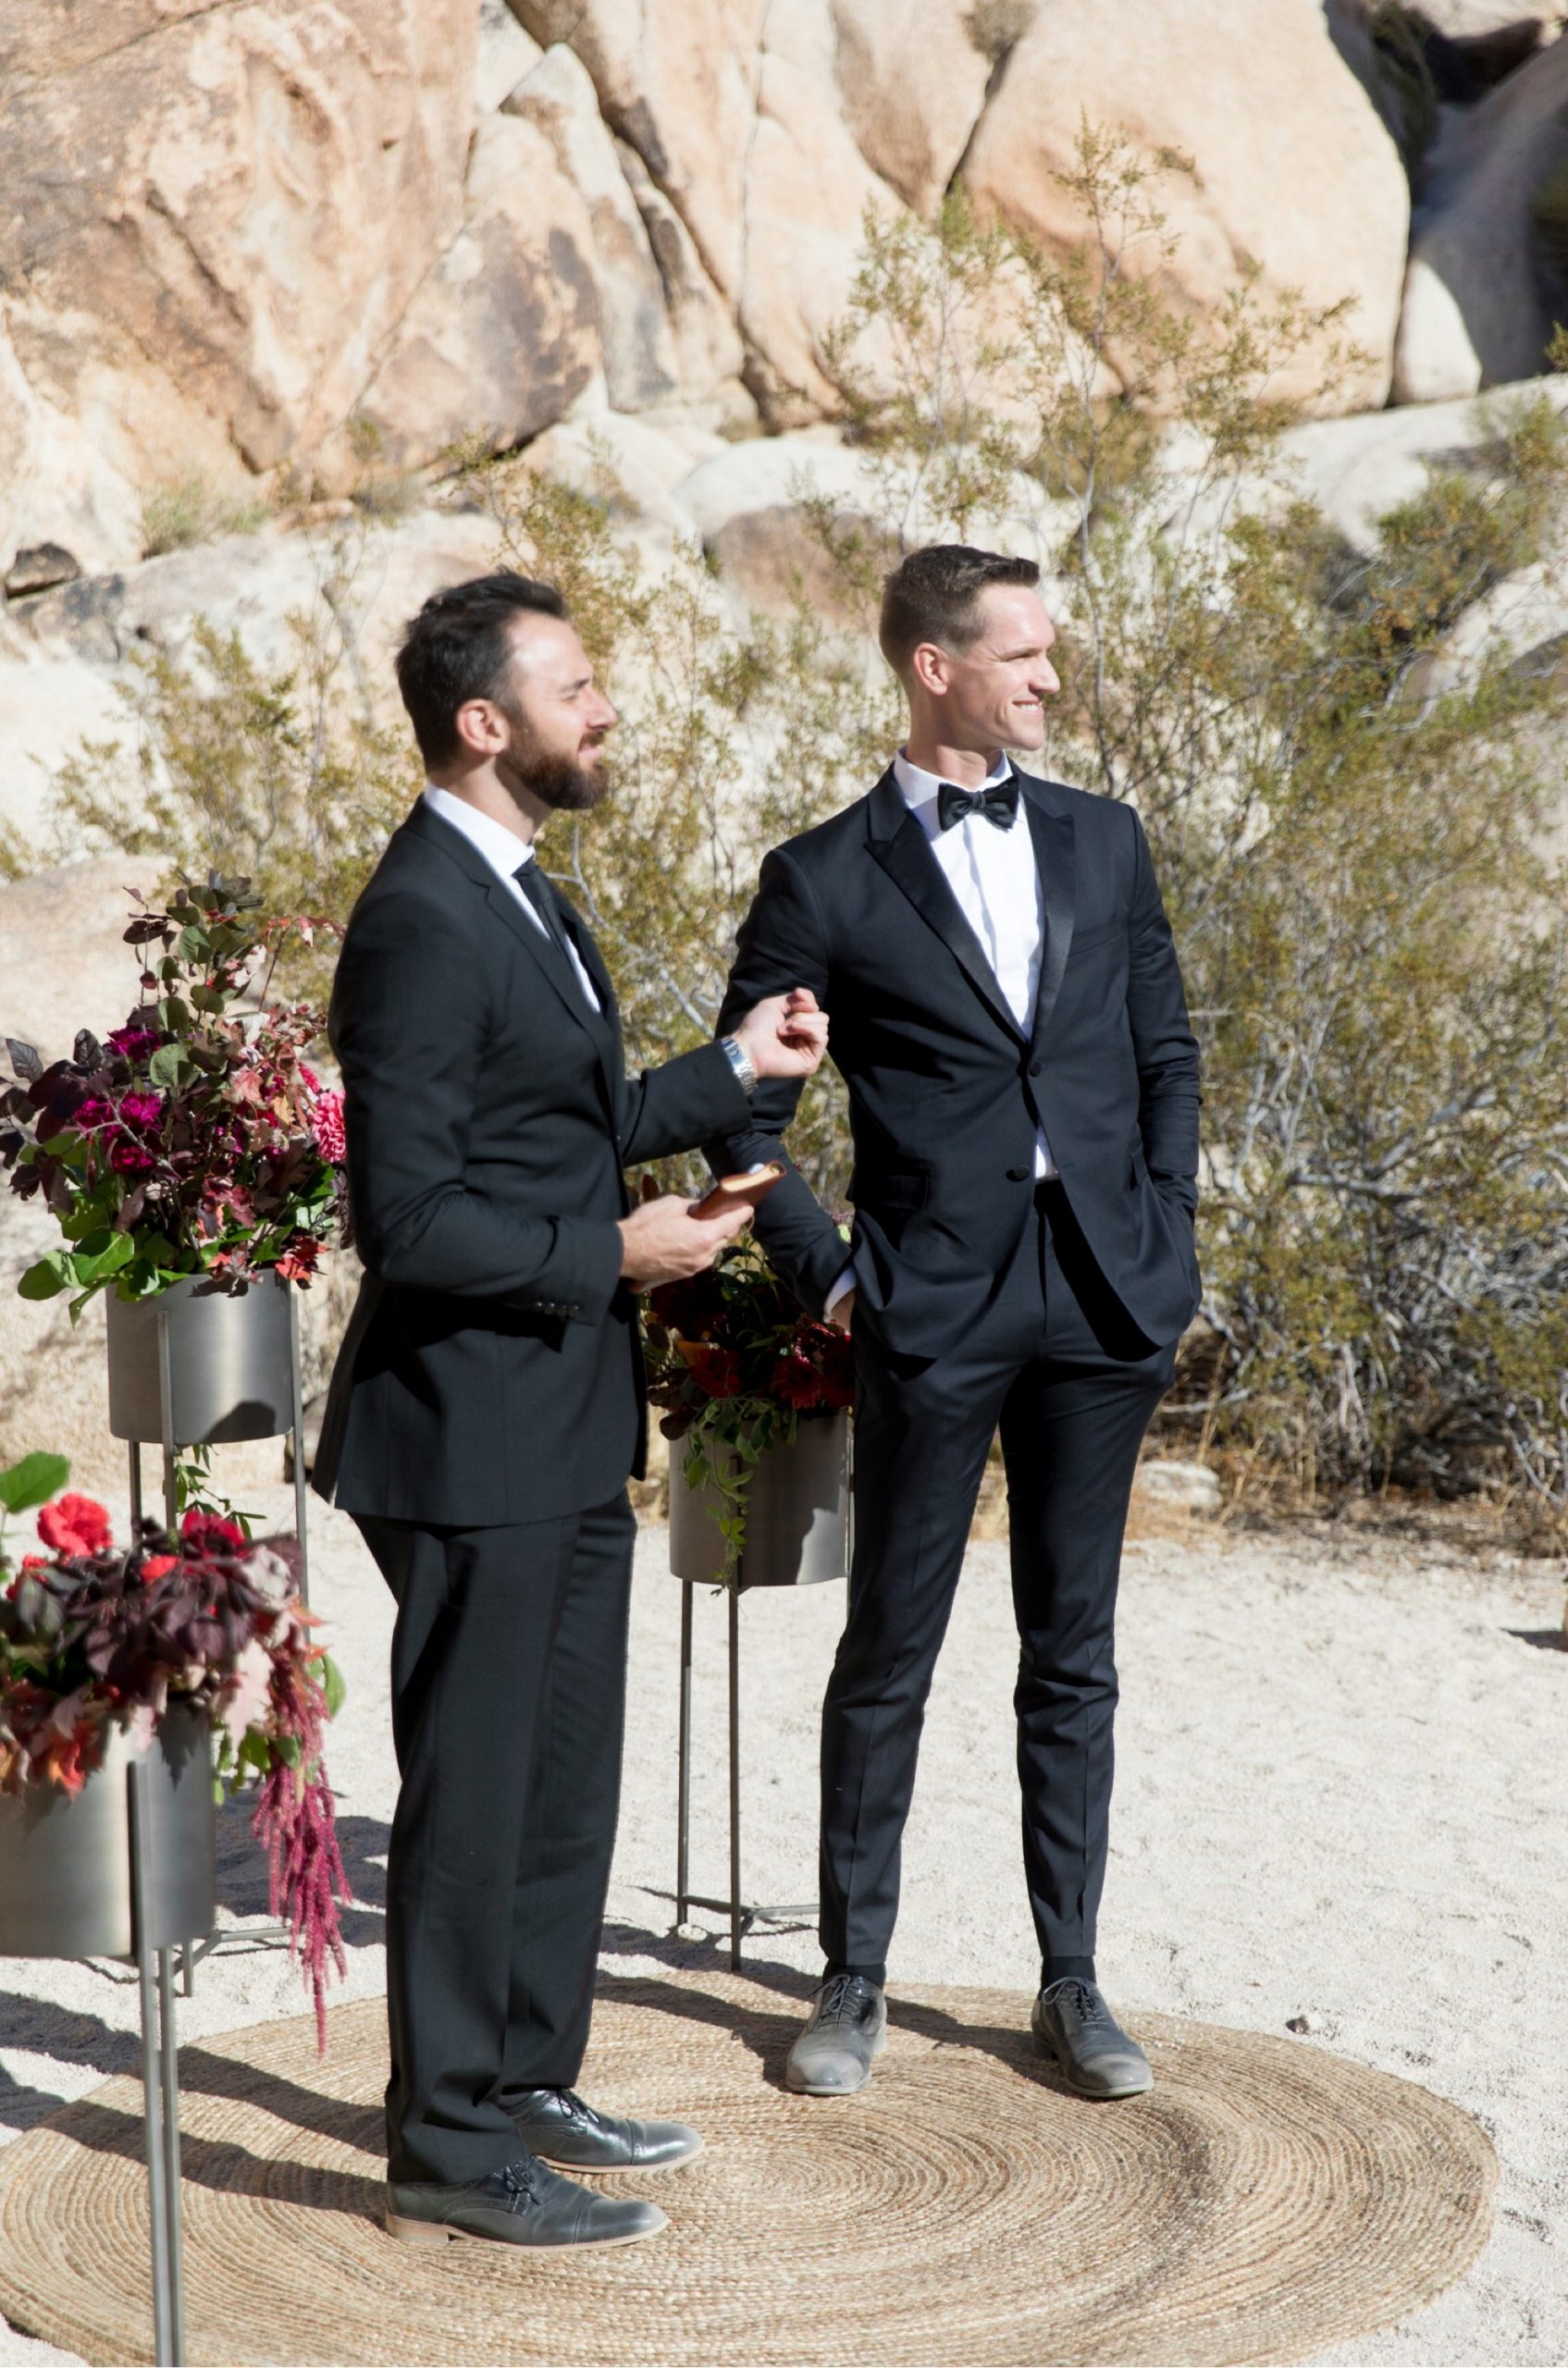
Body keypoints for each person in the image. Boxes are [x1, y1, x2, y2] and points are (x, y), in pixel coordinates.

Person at [313, 571, 828, 2250]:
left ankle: (530, 2076)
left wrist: (728, 1073)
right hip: (464, 1428)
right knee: (472, 1799)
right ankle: (447, 2142)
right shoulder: (419, 920)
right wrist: (609, 1254)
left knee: (556, 1776)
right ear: (486, 723)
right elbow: (407, 1219)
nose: (603, 709)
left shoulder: (524, 894)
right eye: (576, 685)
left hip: (558, 1418)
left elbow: (567, 1117)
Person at [710, 544, 1200, 2103]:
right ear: (936, 667)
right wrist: (828, 1272)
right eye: (1023, 655)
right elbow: (744, 1107)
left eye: (1050, 654)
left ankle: (1073, 1982)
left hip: (1107, 1298)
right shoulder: (824, 875)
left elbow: (1166, 1049)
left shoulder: (1106, 840)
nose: (1052, 678)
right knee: (891, 1649)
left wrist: (1168, 1238)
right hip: (929, 1301)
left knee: (1076, 1656)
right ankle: (852, 1978)